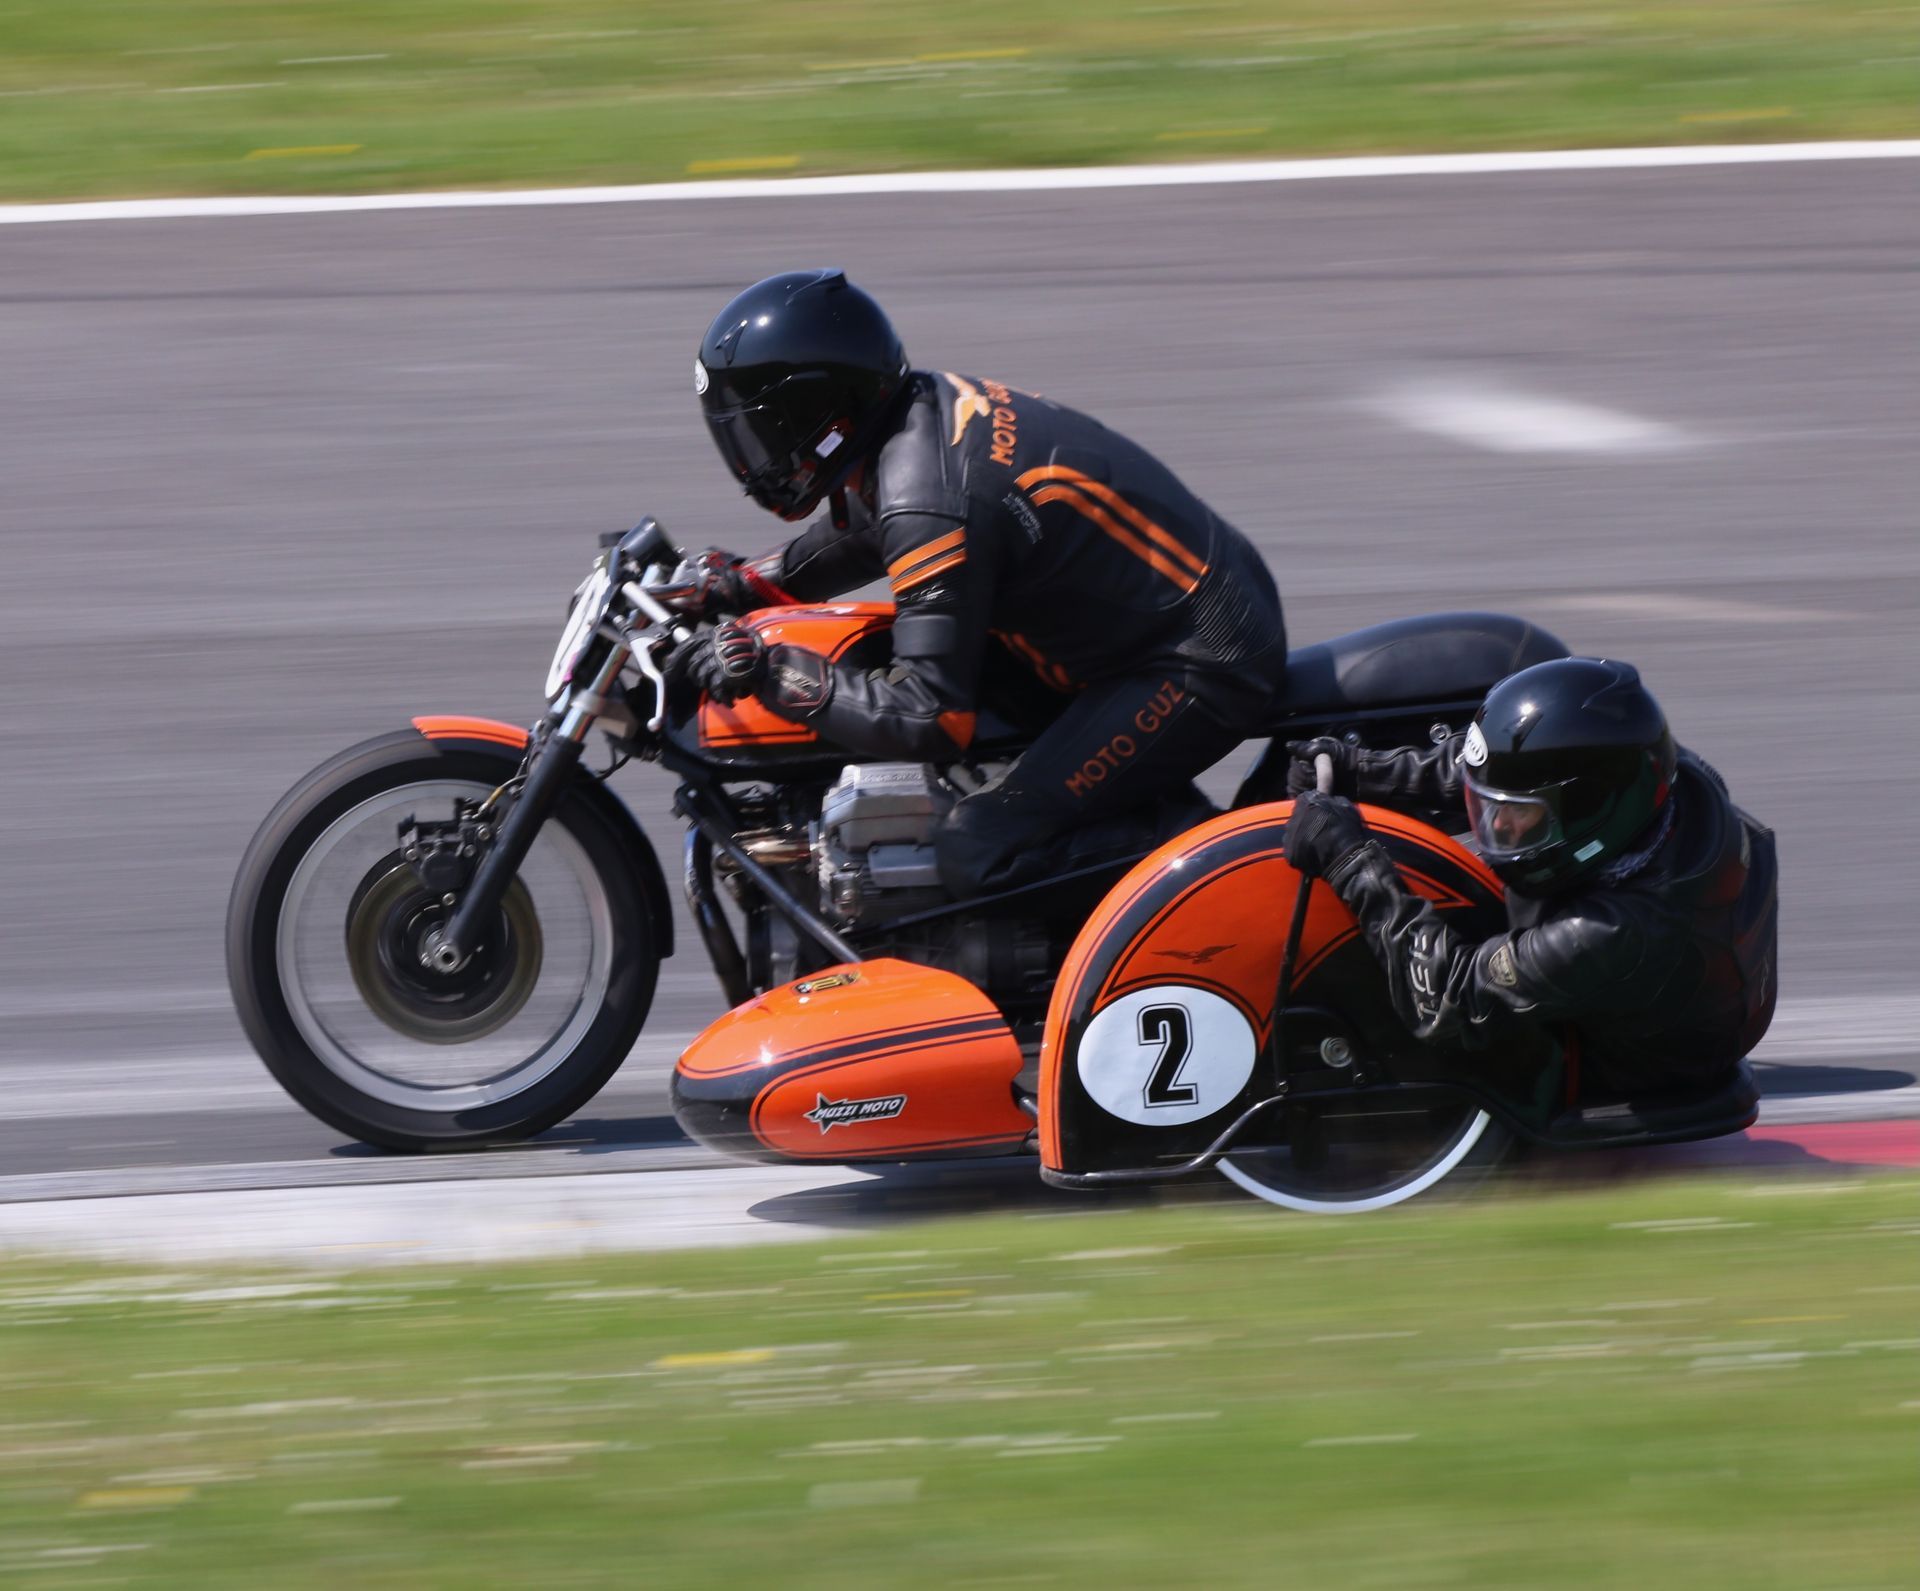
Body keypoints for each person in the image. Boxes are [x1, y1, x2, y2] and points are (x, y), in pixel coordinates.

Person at [667, 268, 1289, 897]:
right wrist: (740, 586)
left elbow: (932, 717)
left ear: (822, 412)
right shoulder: (912, 419)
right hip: (1152, 617)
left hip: (1195, 658)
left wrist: (772, 673)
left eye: (759, 430)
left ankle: (1247, 879)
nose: (753, 457)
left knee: (977, 848)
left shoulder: (929, 497)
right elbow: (868, 530)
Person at [1280, 657, 1778, 1096]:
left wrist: (1353, 861)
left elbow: (1444, 1000)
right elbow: (1500, 768)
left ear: (1593, 814)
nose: (1492, 825)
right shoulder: (1641, 769)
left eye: (1519, 815)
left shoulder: (1613, 931)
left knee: (1416, 1004)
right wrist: (1362, 769)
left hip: (1637, 1062)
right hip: (1661, 975)